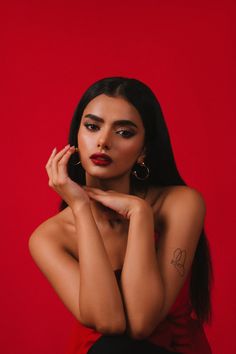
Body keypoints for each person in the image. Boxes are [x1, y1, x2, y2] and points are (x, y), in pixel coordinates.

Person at [28, 76, 213, 354]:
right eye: (92, 127)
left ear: (144, 151)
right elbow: (109, 322)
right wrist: (80, 209)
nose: (103, 141)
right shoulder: (49, 237)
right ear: (77, 137)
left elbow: (141, 323)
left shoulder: (180, 203)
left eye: (124, 132)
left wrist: (139, 213)